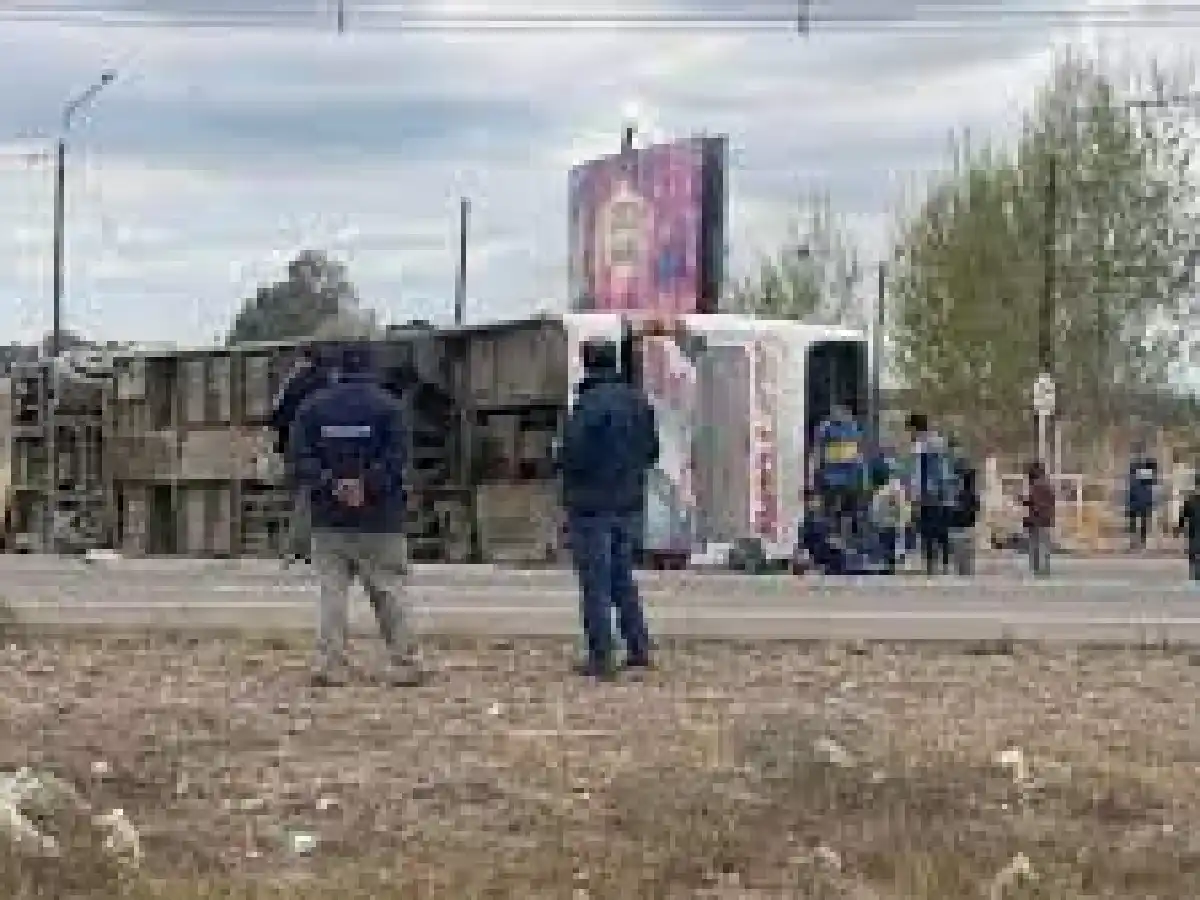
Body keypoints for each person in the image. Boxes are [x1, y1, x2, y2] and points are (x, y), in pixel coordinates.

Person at [290, 341, 419, 688]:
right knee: (389, 592)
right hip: (380, 519)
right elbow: (397, 459)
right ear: (372, 369)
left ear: (337, 369)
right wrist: (366, 485)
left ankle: (330, 664)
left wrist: (332, 483)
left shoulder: (312, 408)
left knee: (332, 594)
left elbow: (300, 459)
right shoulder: (390, 408)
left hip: (328, 518)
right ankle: (404, 662)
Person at [558, 340, 658, 679]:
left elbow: (573, 453)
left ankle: (601, 654)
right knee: (622, 578)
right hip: (628, 502)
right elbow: (652, 451)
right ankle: (638, 647)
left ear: (586, 363)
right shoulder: (638, 401)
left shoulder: (587, 404)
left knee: (595, 583)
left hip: (591, 504)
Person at [270, 346, 331, 565]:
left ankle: (299, 547)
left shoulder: (294, 383)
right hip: (324, 446)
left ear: (304, 360)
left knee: (304, 496)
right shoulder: (329, 382)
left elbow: (277, 416)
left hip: (297, 446)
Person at [907, 413, 954, 576]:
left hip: (927, 492)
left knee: (927, 528)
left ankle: (930, 566)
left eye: (910, 429)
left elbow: (919, 472)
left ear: (915, 428)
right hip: (942, 492)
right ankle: (945, 564)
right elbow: (945, 469)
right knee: (941, 528)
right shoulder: (939, 442)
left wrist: (917, 494)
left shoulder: (921, 445)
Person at [813, 405, 867, 541]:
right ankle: (835, 531)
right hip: (836, 475)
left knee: (845, 506)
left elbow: (858, 450)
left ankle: (846, 531)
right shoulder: (830, 428)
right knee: (834, 506)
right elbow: (819, 449)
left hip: (845, 475)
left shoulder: (850, 428)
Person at [1021, 460, 1056, 577]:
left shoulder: (1034, 488)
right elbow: (1051, 502)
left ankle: (1037, 567)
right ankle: (1043, 566)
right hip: (1042, 520)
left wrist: (1030, 503)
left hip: (1036, 520)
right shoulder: (1046, 487)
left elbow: (1034, 503)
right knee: (1042, 544)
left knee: (1036, 544)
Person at [870, 476, 908, 574]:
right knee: (889, 548)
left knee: (887, 548)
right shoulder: (885, 495)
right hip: (888, 526)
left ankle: (887, 568)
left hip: (886, 526)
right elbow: (899, 510)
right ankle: (888, 568)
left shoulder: (879, 495)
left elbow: (875, 512)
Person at [947, 465, 980, 576]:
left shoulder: (961, 493)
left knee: (962, 549)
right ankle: (964, 569)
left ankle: (964, 569)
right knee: (963, 549)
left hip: (962, 524)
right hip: (963, 524)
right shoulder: (967, 493)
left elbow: (974, 508)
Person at [1126, 444, 1159, 551]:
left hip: (1139, 498)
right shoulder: (1138, 466)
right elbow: (1151, 481)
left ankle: (1138, 541)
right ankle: (1138, 541)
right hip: (1140, 498)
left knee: (1138, 521)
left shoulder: (1136, 467)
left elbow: (1151, 480)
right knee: (1138, 521)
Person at [1176, 474, 1200, 581]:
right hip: (1194, 531)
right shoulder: (1190, 500)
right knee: (1193, 551)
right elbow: (1183, 515)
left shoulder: (1190, 500)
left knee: (1193, 552)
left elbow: (1183, 515)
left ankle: (1195, 573)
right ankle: (1195, 573)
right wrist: (1180, 527)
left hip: (1193, 531)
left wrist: (1180, 527)